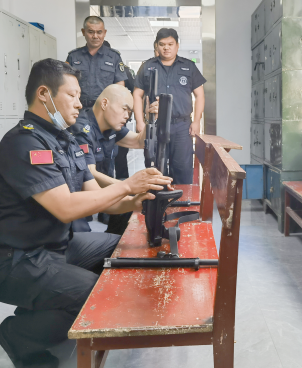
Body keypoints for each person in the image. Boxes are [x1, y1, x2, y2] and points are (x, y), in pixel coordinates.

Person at [0, 59, 172, 368]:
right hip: (17, 260)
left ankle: (48, 308)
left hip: (56, 247)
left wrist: (136, 201)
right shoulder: (25, 143)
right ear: (44, 94)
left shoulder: (66, 141)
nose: (80, 103)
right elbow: (66, 208)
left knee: (121, 249)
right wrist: (127, 185)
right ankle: (19, 335)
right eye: (72, 95)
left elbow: (99, 199)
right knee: (95, 294)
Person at [72, 84, 158, 234]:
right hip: (77, 198)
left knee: (130, 195)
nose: (127, 116)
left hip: (96, 191)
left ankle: (113, 238)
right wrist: (128, 186)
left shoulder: (110, 127)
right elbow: (90, 173)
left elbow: (139, 141)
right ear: (105, 104)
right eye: (124, 109)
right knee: (129, 192)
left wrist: (150, 120)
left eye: (129, 112)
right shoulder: (83, 130)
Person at [133, 28, 206, 184]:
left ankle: (181, 197)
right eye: (162, 44)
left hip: (182, 127)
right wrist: (140, 121)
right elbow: (137, 95)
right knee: (155, 168)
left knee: (182, 168)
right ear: (156, 46)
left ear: (177, 46)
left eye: (170, 44)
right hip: (155, 125)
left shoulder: (188, 66)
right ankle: (157, 199)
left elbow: (200, 95)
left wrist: (197, 121)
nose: (166, 48)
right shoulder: (147, 66)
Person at [114, 44, 158, 180]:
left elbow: (139, 142)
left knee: (120, 156)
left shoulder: (125, 71)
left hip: (117, 121)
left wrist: (148, 119)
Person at [66, 16, 127, 109]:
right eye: (91, 32)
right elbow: (65, 84)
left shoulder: (114, 57)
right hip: (79, 108)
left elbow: (120, 86)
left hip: (105, 109)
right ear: (83, 32)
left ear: (104, 33)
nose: (95, 36)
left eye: (99, 32)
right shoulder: (73, 56)